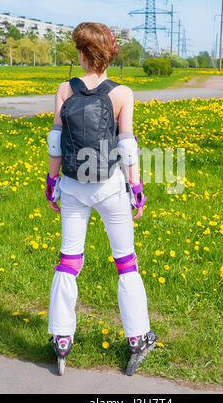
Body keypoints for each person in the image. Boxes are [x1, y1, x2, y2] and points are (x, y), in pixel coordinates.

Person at [45, 22, 156, 376]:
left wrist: (52, 182)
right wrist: (135, 190)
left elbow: (54, 142)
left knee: (68, 260)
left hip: (73, 186)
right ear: (109, 54)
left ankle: (62, 338)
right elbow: (127, 146)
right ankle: (137, 338)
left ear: (82, 53)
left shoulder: (65, 88)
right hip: (109, 187)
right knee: (126, 262)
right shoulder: (122, 92)